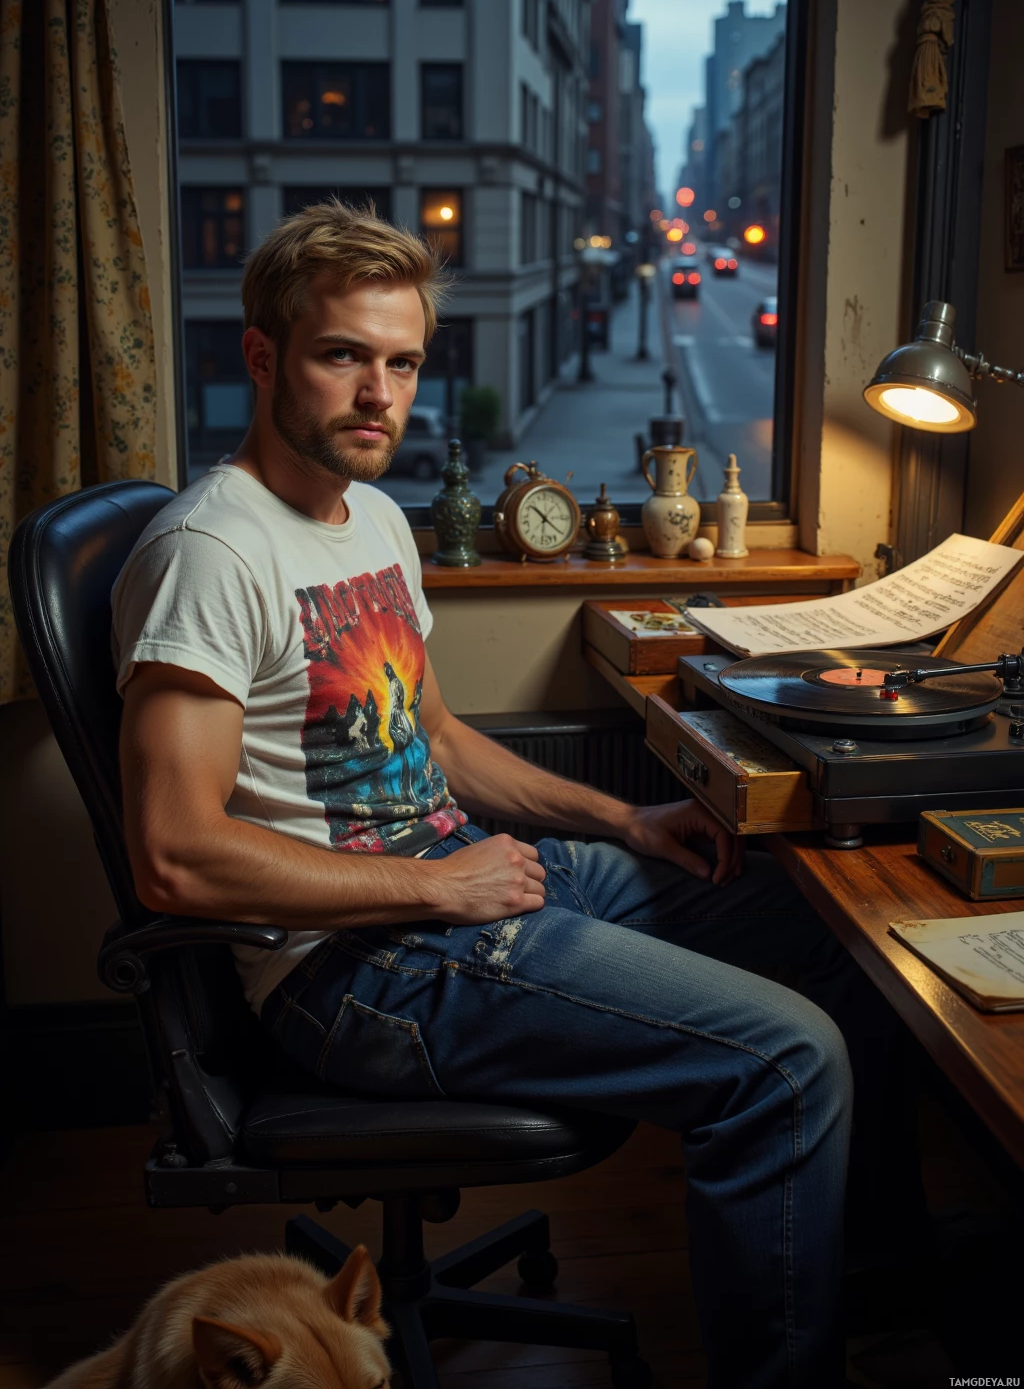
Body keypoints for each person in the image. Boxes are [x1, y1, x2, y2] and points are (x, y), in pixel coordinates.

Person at [112, 202, 919, 1389]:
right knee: (784, 1060)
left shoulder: (373, 519)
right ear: (264, 357)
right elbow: (171, 858)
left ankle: (884, 1302)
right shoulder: (211, 555)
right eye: (343, 356)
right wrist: (436, 887)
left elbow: (432, 737)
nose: (379, 393)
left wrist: (626, 820)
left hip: (459, 896)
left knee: (851, 941)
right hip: (354, 972)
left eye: (401, 362)